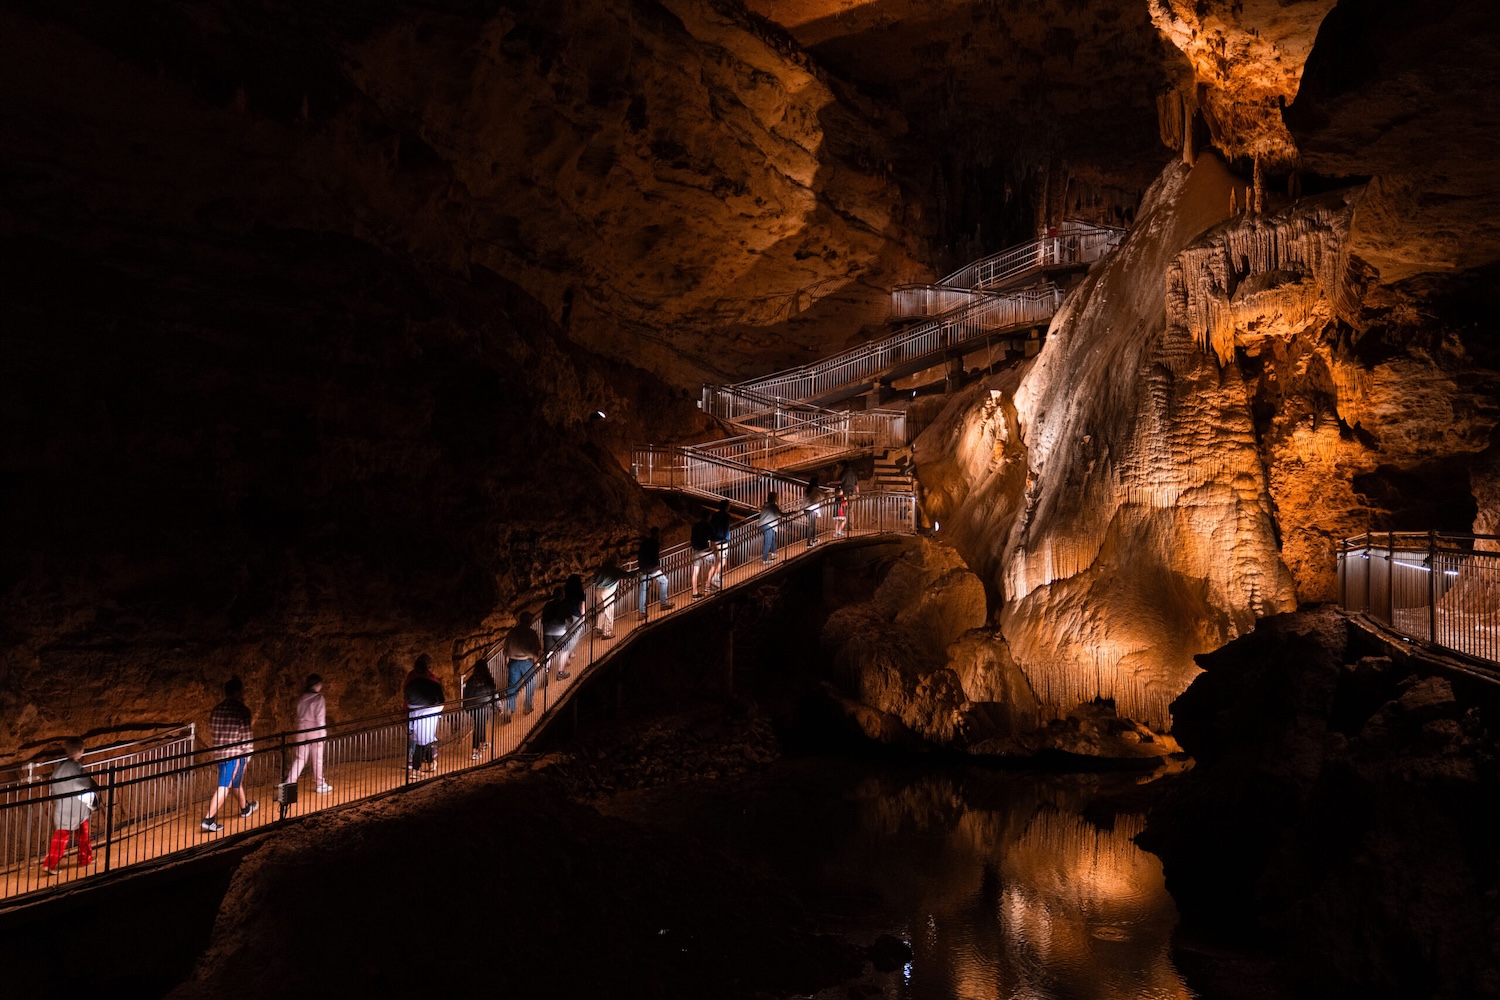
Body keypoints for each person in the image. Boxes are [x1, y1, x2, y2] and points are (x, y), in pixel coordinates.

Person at [202, 678, 257, 833]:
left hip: (220, 753)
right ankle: (209, 819)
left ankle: (245, 808)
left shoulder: (216, 709)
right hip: (235, 755)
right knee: (225, 786)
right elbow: (246, 737)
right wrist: (247, 757)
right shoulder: (242, 710)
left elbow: (213, 731)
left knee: (234, 783)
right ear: (238, 692)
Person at [42, 737, 97, 875]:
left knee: (63, 836)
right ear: (81, 751)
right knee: (82, 834)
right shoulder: (76, 768)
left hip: (63, 806)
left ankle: (52, 863)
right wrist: (92, 800)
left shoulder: (60, 767)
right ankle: (84, 859)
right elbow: (83, 786)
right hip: (77, 807)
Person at [284, 674, 331, 793]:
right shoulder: (319, 698)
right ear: (316, 685)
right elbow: (320, 719)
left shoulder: (302, 698)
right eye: (320, 684)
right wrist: (323, 734)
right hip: (315, 732)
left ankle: (289, 783)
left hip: (301, 731)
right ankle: (320, 784)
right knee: (317, 759)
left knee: (300, 758)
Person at [404, 656, 444, 774]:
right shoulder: (433, 684)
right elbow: (441, 700)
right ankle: (423, 765)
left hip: (414, 713)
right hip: (430, 712)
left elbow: (406, 698)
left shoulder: (410, 684)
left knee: (417, 740)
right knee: (427, 740)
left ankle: (419, 767)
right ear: (427, 669)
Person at [502, 612, 543, 719]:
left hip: (513, 661)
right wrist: (536, 663)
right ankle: (527, 706)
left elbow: (505, 649)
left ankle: (509, 708)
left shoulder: (512, 632)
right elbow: (535, 650)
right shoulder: (531, 633)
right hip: (527, 662)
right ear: (530, 621)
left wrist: (506, 660)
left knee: (512, 686)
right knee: (531, 683)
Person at [463, 656, 498, 760]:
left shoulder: (470, 680)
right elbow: (494, 694)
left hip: (472, 706)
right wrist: (497, 706)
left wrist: (466, 707)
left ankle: (482, 743)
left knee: (480, 724)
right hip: (484, 706)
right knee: (478, 727)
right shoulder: (488, 680)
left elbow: (466, 694)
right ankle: (475, 751)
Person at [637, 526, 674, 617]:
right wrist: (657, 566)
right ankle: (663, 603)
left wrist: (641, 567)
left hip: (643, 569)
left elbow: (640, 555)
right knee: (664, 581)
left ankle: (641, 612)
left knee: (643, 589)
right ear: (657, 534)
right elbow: (654, 556)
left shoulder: (644, 543)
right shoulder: (655, 543)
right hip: (652, 568)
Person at [557, 574, 587, 679]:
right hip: (575, 616)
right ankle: (567, 655)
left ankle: (570, 653)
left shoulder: (565, 591)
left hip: (565, 616)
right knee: (574, 637)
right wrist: (583, 617)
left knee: (568, 635)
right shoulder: (580, 592)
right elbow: (581, 606)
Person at [689, 508, 715, 599]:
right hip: (704, 550)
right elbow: (713, 536)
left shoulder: (696, 525)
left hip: (696, 550)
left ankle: (694, 593)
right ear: (708, 517)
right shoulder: (707, 525)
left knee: (695, 571)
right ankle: (708, 584)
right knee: (716, 563)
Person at [707, 498, 731, 591]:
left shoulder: (715, 515)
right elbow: (725, 528)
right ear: (726, 507)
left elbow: (711, 526)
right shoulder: (726, 516)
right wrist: (726, 538)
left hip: (714, 539)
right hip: (721, 540)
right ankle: (715, 577)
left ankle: (712, 581)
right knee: (723, 560)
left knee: (717, 560)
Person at [593, 563, 622, 640]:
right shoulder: (615, 570)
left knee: (601, 609)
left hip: (598, 590)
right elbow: (626, 575)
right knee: (609, 611)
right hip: (607, 591)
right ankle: (607, 632)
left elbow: (592, 579)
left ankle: (599, 628)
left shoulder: (601, 569)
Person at [759, 492, 784, 563]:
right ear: (774, 498)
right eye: (777, 497)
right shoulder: (773, 506)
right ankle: (765, 559)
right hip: (768, 525)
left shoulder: (765, 505)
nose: (778, 498)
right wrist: (792, 513)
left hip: (763, 524)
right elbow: (781, 514)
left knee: (773, 538)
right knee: (768, 542)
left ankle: (774, 552)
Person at [803, 476, 824, 546]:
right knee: (811, 526)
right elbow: (825, 495)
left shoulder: (807, 489)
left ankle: (814, 538)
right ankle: (809, 542)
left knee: (812, 524)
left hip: (806, 509)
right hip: (812, 509)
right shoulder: (816, 489)